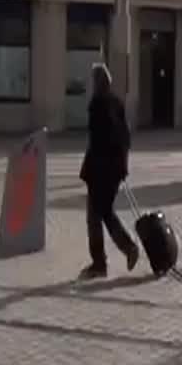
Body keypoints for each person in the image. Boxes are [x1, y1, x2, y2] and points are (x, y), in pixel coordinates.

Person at [78, 63, 138, 279]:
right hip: (113, 170)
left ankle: (113, 256)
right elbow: (125, 137)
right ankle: (104, 260)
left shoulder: (97, 105)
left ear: (97, 83)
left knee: (98, 215)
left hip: (100, 171)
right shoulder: (116, 103)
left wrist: (93, 170)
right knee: (102, 213)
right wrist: (122, 166)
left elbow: (98, 141)